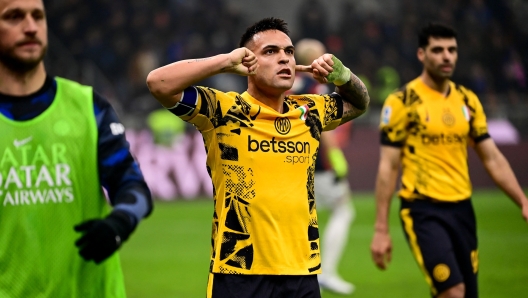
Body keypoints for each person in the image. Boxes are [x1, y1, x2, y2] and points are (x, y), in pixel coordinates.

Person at [147, 17, 369, 298]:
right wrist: (225, 61)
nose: (284, 59)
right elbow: (158, 83)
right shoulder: (224, 111)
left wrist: (343, 75)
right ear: (248, 63)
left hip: (303, 271)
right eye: (270, 52)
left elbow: (360, 103)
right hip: (239, 272)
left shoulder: (309, 110)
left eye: (289, 52)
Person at [0, 0, 153, 297]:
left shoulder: (88, 107)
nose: (30, 27)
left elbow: (133, 187)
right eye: (14, 17)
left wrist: (118, 223)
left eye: (38, 16)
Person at [370, 23, 528, 298]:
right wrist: (381, 229)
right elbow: (388, 166)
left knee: (467, 294)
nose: (447, 56)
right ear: (421, 54)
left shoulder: (467, 100)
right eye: (438, 50)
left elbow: (492, 158)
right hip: (422, 209)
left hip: (462, 209)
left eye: (452, 50)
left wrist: (523, 201)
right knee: (453, 291)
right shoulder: (401, 102)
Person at [292, 38, 356, 295]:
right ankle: (326, 272)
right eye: (322, 56)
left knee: (303, 218)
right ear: (312, 58)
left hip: (293, 161)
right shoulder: (315, 87)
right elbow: (323, 124)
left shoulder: (286, 85)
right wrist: (336, 159)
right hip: (318, 164)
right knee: (344, 210)